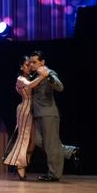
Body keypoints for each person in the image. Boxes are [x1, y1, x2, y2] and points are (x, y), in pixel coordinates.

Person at [2, 56, 44, 181]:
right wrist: (43, 76)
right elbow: (30, 85)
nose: (29, 66)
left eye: (30, 64)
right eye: (26, 64)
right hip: (25, 109)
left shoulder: (30, 77)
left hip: (33, 109)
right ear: (21, 67)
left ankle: (22, 163)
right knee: (23, 138)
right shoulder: (20, 79)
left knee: (33, 142)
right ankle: (20, 165)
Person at [27, 50, 65, 182]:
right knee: (38, 141)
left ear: (42, 62)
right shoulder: (34, 76)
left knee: (50, 145)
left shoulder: (49, 72)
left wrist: (47, 75)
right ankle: (67, 151)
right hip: (38, 114)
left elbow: (60, 87)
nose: (31, 64)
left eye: (34, 62)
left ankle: (54, 174)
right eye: (30, 62)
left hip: (48, 113)